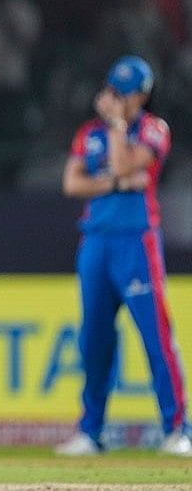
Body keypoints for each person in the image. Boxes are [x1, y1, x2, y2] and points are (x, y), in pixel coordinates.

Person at [57, 55, 191, 457]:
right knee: (94, 340)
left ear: (142, 96)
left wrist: (116, 130)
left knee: (155, 335)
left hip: (137, 240)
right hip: (96, 241)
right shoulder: (88, 133)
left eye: (125, 94)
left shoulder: (154, 130)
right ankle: (91, 431)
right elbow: (71, 184)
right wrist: (117, 182)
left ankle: (176, 429)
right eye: (114, 91)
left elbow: (124, 161)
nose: (118, 99)